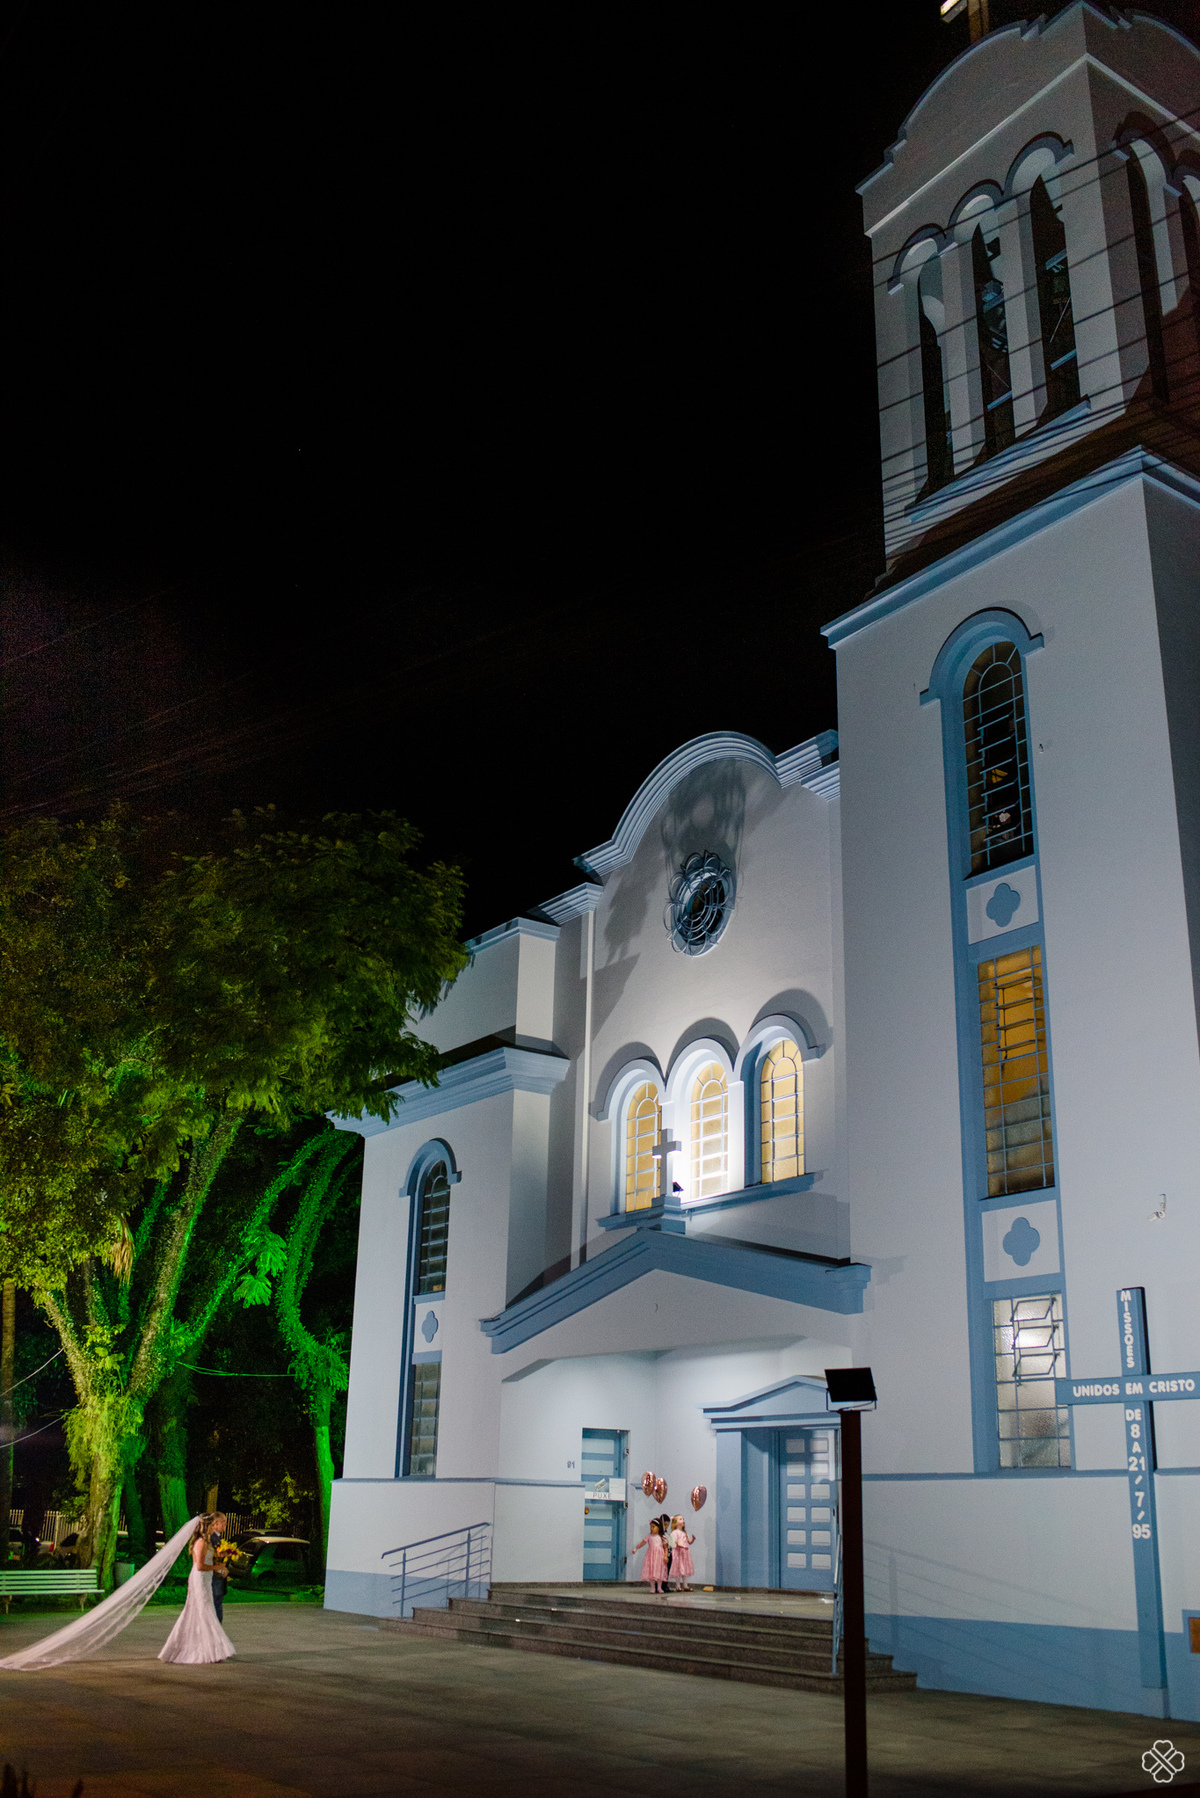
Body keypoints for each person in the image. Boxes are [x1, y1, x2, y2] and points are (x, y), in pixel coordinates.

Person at [158, 1513, 236, 1665]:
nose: (214, 1527)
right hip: (200, 1579)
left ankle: (207, 1649)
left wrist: (220, 1568)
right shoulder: (201, 1542)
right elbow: (199, 1566)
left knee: (202, 1612)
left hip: (206, 1579)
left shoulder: (206, 1542)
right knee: (206, 1611)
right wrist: (217, 1567)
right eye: (213, 1524)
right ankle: (213, 1650)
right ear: (207, 1526)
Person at [630, 1517, 667, 1594]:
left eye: (654, 1527)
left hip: (659, 1556)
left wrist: (666, 1556)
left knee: (659, 1570)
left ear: (659, 1527)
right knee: (651, 1570)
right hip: (651, 1556)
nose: (652, 1528)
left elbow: (665, 1547)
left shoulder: (662, 1537)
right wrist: (636, 1548)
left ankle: (659, 1587)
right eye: (651, 1527)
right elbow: (642, 1543)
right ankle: (653, 1587)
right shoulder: (649, 1536)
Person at [209, 1513, 230, 1623]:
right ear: (215, 1524)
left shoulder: (218, 1537)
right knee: (216, 1603)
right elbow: (213, 1556)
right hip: (215, 1575)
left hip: (218, 1573)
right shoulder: (212, 1538)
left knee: (218, 1602)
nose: (225, 1525)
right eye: (223, 1522)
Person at [669, 1515, 696, 1591]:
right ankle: (678, 1586)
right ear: (675, 1522)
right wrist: (679, 1545)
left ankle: (685, 1585)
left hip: (684, 1553)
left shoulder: (684, 1532)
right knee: (678, 1568)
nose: (683, 1520)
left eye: (683, 1519)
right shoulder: (674, 1532)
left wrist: (693, 1539)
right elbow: (673, 1543)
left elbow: (689, 1541)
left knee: (684, 1568)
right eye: (680, 1519)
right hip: (678, 1553)